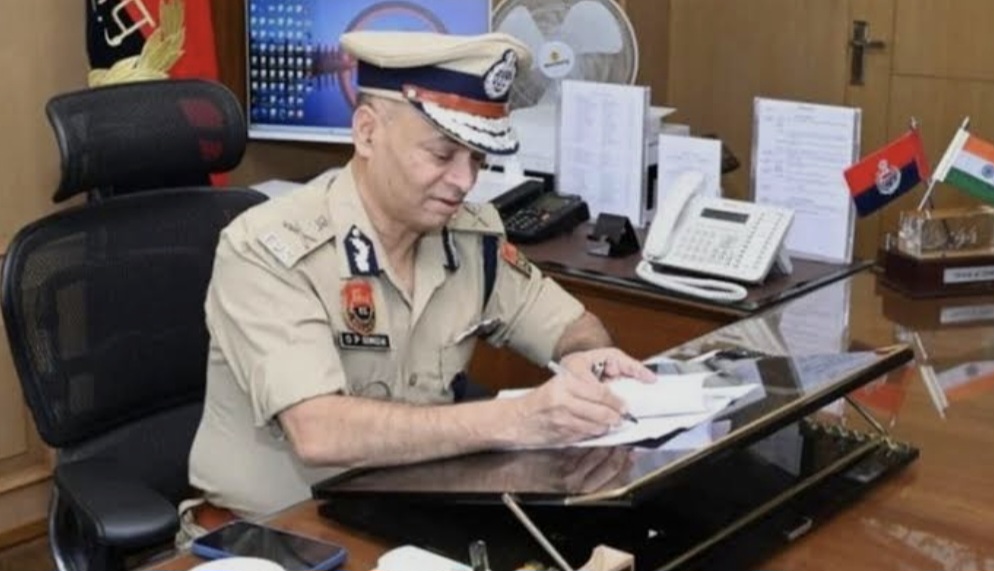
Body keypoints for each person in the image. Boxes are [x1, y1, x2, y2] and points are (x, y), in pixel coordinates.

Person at [182, 30, 654, 533]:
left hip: (405, 519)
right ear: (367, 133)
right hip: (273, 534)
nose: (464, 182)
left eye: (477, 159)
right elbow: (318, 432)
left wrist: (586, 358)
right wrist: (518, 420)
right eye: (442, 155)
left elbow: (571, 325)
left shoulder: (469, 239)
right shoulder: (267, 248)